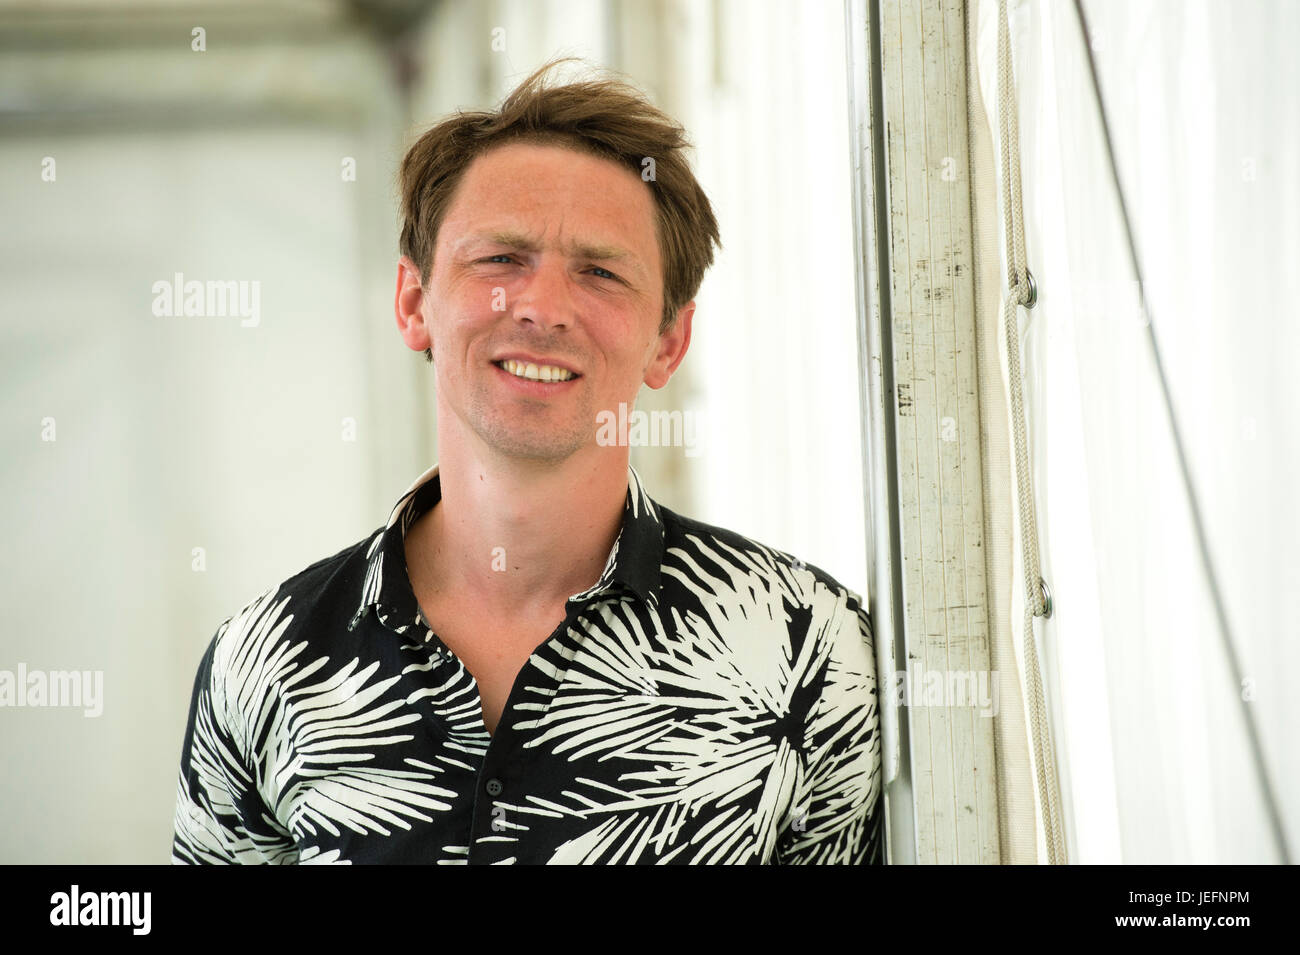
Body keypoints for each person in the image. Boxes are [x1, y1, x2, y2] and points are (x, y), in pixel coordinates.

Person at [171, 58, 883, 865]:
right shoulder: (263, 664)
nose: (542, 307)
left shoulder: (809, 653)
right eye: (501, 259)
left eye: (601, 272)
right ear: (414, 303)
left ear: (668, 340)